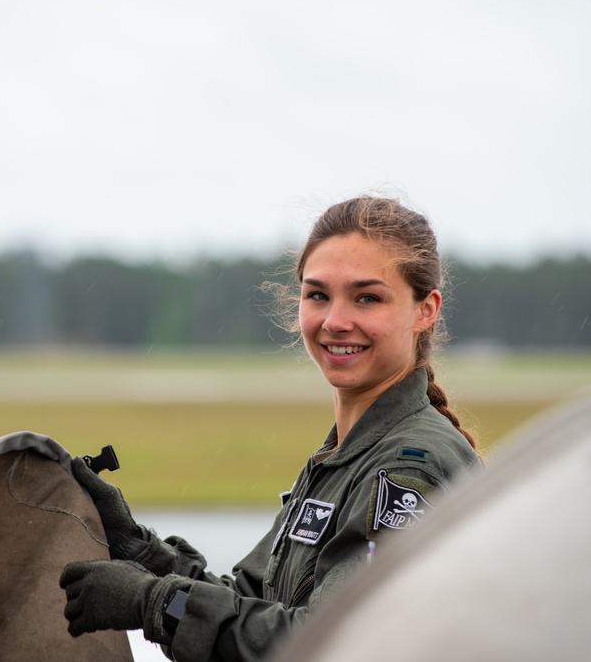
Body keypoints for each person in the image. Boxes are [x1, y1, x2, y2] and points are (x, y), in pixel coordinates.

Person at [58, 195, 483, 661]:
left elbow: (336, 641)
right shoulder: (345, 456)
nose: (336, 321)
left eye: (367, 298)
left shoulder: (406, 468)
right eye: (318, 295)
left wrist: (152, 601)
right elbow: (253, 607)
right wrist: (140, 552)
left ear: (426, 310)